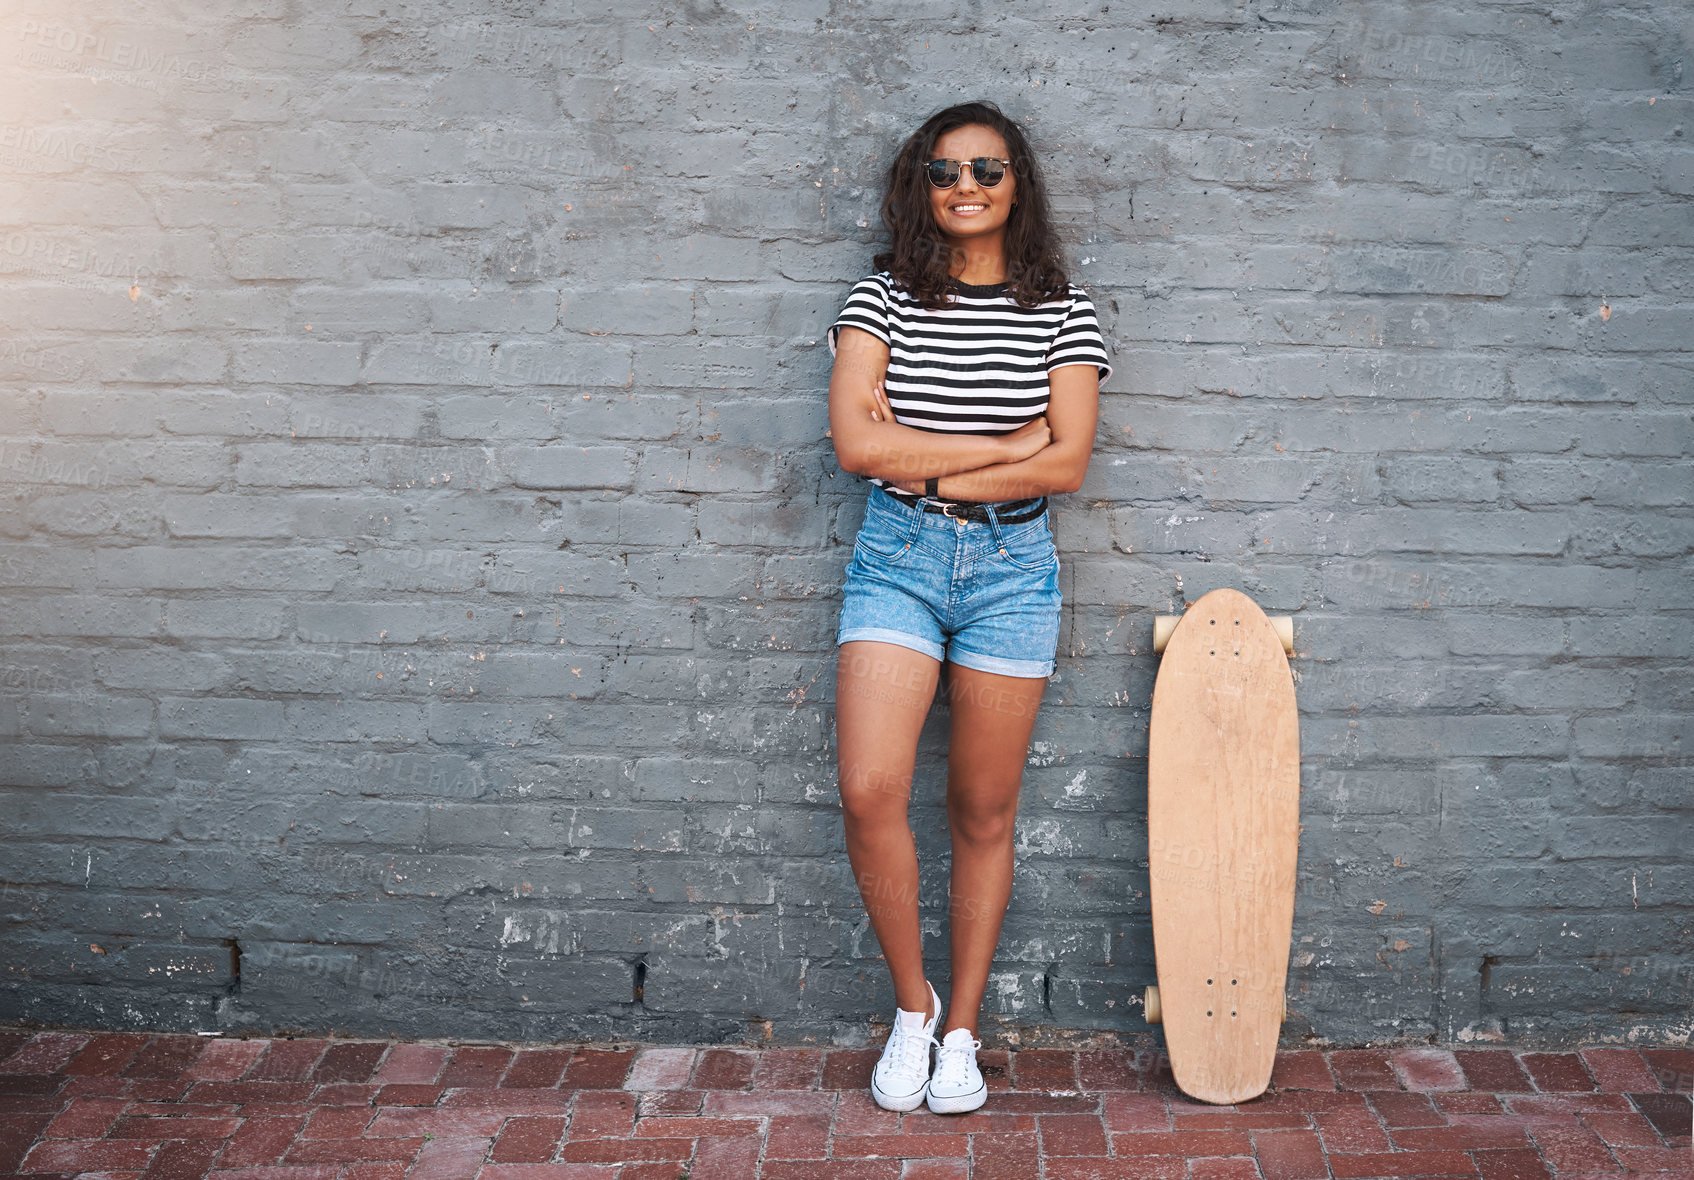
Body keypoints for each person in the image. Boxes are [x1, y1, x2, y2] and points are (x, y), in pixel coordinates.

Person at [825, 100, 1113, 1115]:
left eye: (986, 171)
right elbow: (859, 449)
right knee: (869, 787)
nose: (965, 187)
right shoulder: (883, 301)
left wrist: (933, 468)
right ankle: (911, 1006)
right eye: (944, 171)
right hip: (894, 560)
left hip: (1010, 572)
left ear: (1015, 185)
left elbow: (1067, 460)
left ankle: (961, 1033)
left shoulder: (1062, 313)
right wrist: (1000, 451)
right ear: (920, 185)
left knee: (981, 811)